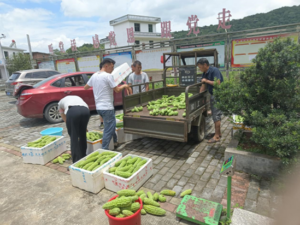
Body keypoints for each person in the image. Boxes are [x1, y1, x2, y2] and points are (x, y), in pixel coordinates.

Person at [84, 58, 129, 149]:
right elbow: (117, 90)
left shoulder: (94, 76)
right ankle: (104, 149)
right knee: (108, 129)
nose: (112, 70)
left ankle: (115, 141)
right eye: (112, 67)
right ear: (106, 66)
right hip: (107, 107)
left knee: (110, 125)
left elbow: (85, 87)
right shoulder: (108, 76)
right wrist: (124, 85)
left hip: (99, 108)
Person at [197, 58, 224, 143]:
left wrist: (206, 81)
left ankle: (216, 137)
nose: (199, 69)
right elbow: (203, 86)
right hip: (213, 95)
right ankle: (218, 133)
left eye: (200, 67)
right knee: (214, 114)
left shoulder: (214, 70)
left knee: (216, 115)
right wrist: (199, 96)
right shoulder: (204, 73)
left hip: (218, 94)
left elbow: (218, 83)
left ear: (205, 65)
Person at [58, 95, 90, 163]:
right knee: (83, 135)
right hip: (86, 110)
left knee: (74, 137)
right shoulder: (77, 97)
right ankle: (83, 155)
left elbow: (63, 116)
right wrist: (84, 127)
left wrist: (70, 126)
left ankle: (76, 161)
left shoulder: (60, 103)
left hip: (73, 111)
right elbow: (82, 112)